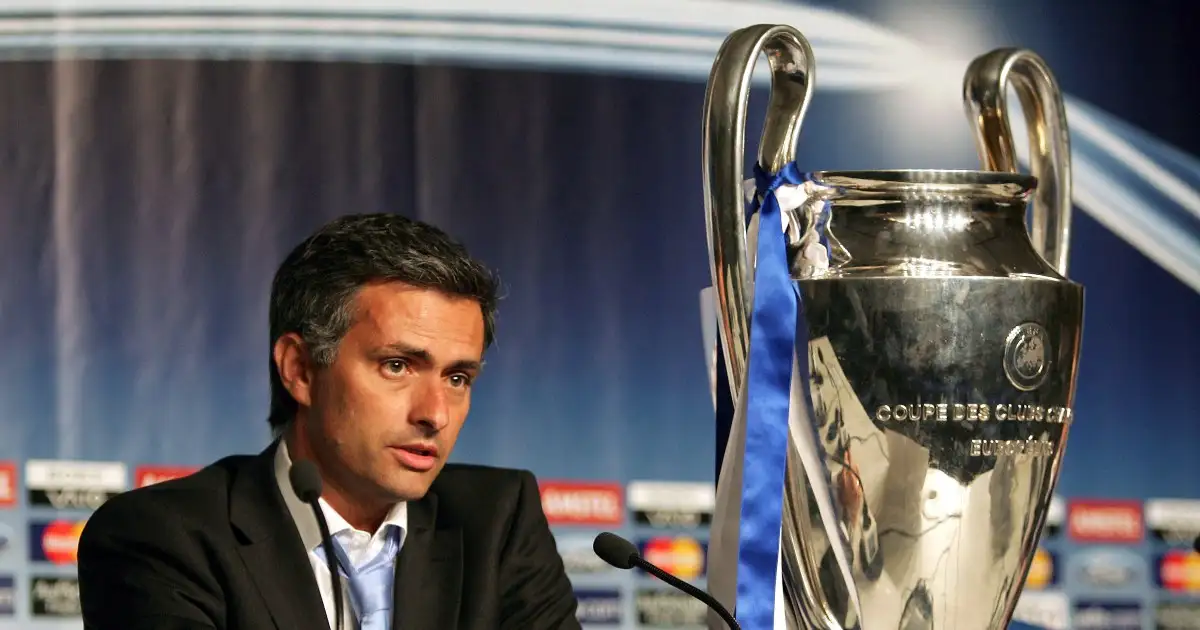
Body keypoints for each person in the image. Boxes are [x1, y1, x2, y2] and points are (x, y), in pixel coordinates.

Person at [77, 214, 582, 630]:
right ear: (300, 370)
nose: (435, 413)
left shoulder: (496, 522)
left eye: (457, 377)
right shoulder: (165, 538)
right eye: (397, 366)